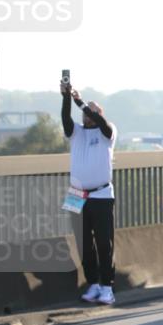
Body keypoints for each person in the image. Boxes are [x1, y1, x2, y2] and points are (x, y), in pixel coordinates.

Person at [61, 80, 118, 305]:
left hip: (101, 194)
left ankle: (107, 286)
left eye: (93, 112)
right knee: (84, 243)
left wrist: (81, 102)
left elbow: (102, 124)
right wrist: (66, 97)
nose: (87, 116)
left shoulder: (108, 132)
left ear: (99, 113)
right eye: (86, 112)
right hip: (76, 194)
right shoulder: (77, 133)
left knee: (104, 242)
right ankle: (92, 283)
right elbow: (66, 119)